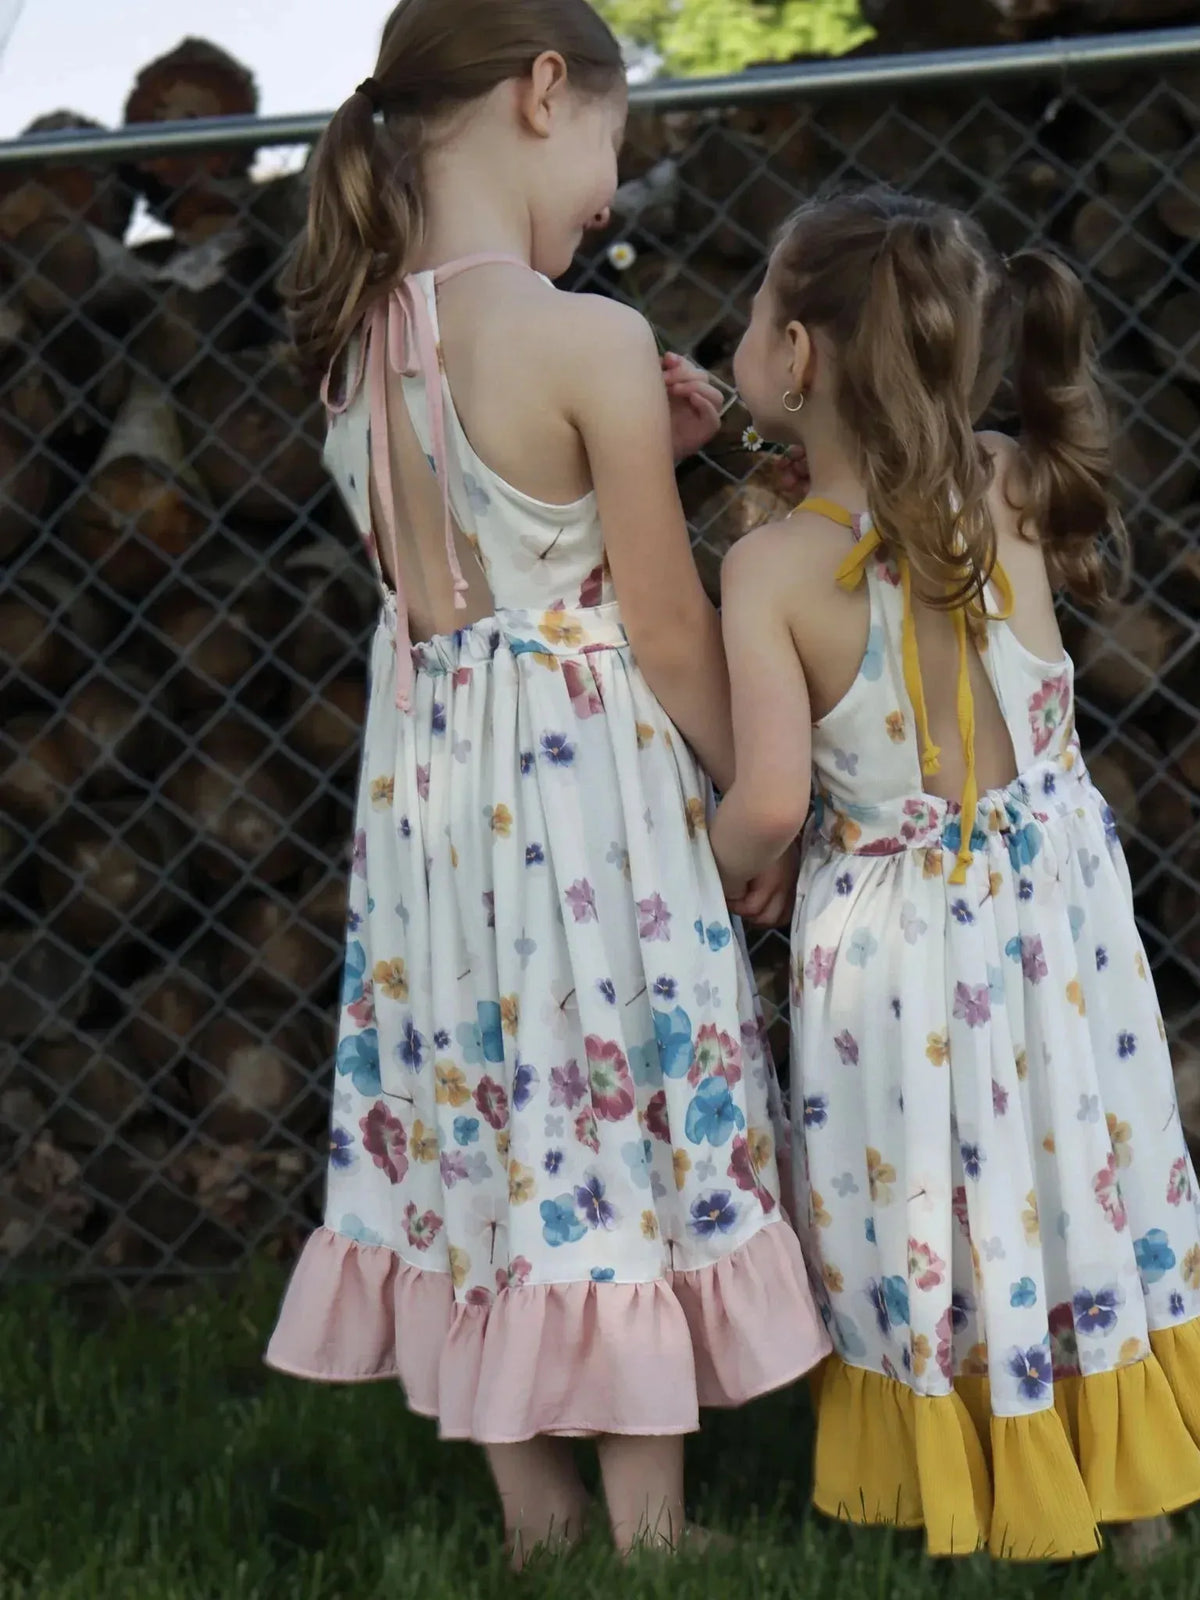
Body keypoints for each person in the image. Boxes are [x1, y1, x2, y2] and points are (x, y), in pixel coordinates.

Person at [264, 0, 828, 1566]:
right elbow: (657, 616)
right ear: (539, 94)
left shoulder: (360, 347)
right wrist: (753, 795)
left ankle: (533, 1511)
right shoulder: (579, 338)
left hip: (438, 820)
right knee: (608, 1105)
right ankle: (650, 1520)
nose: (605, 191)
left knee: (477, 1112)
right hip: (590, 814)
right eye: (610, 145)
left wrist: (650, 430)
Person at [709, 185, 1200, 1563]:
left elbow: (768, 796)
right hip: (1060, 915)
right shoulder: (1008, 485)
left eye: (758, 310)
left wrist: (727, 863)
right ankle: (1136, 1490)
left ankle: (983, 1493)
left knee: (932, 1183)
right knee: (1073, 1164)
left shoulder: (772, 569)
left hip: (904, 945)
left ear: (795, 356)